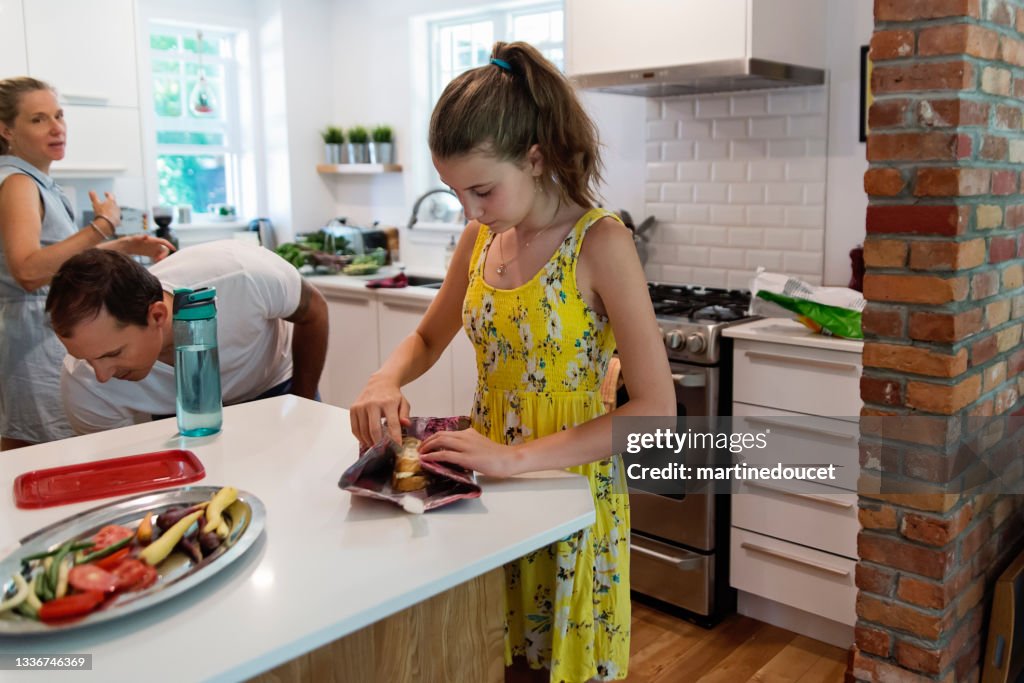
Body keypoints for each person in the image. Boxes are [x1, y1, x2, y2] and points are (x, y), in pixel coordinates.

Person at [350, 42, 675, 683]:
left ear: (535, 157)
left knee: (556, 663)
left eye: (481, 190)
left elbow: (656, 412)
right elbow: (428, 336)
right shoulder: (480, 238)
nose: (469, 211)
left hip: (566, 487)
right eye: (454, 193)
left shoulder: (601, 242)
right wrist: (382, 377)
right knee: (493, 654)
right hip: (484, 484)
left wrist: (513, 459)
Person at [0, 76, 174, 449]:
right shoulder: (17, 183)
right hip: (34, 341)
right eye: (38, 119)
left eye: (59, 115)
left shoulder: (33, 182)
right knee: (46, 458)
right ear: (6, 129)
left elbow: (57, 262)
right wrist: (102, 225)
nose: (56, 127)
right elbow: (29, 270)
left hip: (34, 335)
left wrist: (122, 245)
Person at [44, 240, 328, 435]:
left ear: (157, 316)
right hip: (177, 417)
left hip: (274, 390)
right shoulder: (83, 381)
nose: (102, 375)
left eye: (112, 354)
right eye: (86, 358)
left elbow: (314, 311)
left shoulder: (241, 276)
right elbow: (121, 472)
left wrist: (303, 403)